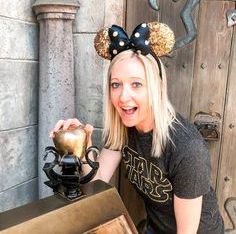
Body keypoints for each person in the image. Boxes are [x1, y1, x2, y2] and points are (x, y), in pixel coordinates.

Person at [50, 22, 224, 234]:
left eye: (136, 84)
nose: (123, 97)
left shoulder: (187, 149)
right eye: (116, 84)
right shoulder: (124, 127)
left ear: (156, 87)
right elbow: (95, 184)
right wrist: (82, 142)